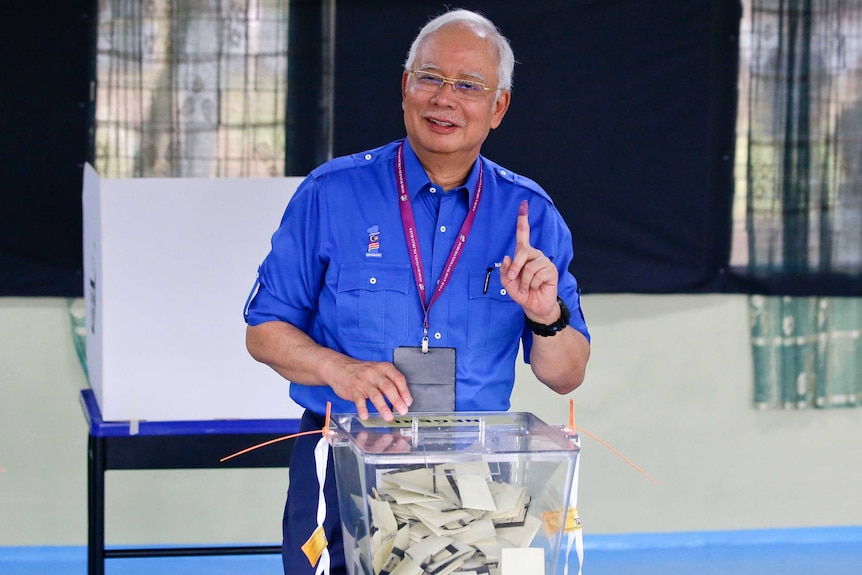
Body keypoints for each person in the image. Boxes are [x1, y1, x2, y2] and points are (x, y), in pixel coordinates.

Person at [243, 8, 591, 575]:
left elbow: (566, 373)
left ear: (497, 107)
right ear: (406, 88)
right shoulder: (332, 194)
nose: (444, 98)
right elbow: (264, 332)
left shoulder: (531, 216)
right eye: (430, 78)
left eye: (469, 86)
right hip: (344, 456)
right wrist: (339, 369)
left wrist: (546, 315)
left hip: (476, 471)